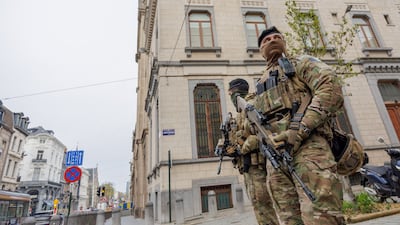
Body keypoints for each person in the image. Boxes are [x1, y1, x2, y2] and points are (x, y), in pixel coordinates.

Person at [254, 26, 345, 225]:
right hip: (277, 161)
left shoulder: (301, 63)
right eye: (266, 39)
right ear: (260, 50)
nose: (272, 40)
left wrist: (301, 129)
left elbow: (331, 89)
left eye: (277, 37)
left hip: (310, 150)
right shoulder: (259, 84)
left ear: (284, 42)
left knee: (322, 216)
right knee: (288, 219)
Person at [217, 78, 279, 225]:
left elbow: (262, 134)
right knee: (259, 206)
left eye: (231, 92)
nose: (230, 96)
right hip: (247, 168)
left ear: (236, 91)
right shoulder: (240, 112)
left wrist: (240, 149)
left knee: (263, 206)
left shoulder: (252, 105)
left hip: (258, 166)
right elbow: (238, 137)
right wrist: (227, 148)